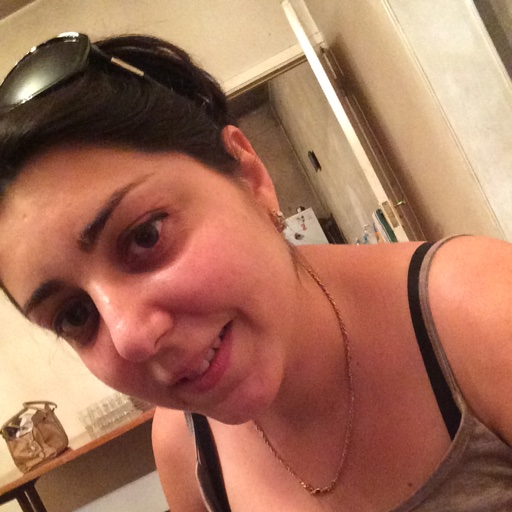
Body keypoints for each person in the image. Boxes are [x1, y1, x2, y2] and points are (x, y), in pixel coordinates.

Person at [0, 32, 511, 512]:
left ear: (249, 174)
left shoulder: (479, 309)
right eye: (74, 316)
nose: (131, 336)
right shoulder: (184, 447)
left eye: (146, 236)